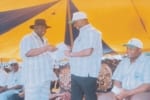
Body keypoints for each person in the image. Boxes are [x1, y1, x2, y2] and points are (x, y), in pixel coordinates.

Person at [65, 11, 102, 100]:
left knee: (90, 97)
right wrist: (70, 49)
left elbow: (88, 51)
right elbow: (81, 50)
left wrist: (71, 54)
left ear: (82, 20)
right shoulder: (82, 33)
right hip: (77, 73)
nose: (74, 25)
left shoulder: (91, 32)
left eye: (75, 22)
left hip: (86, 74)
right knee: (75, 98)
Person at [20, 19, 57, 100]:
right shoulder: (27, 38)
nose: (44, 30)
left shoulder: (45, 40)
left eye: (45, 28)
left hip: (45, 77)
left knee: (44, 98)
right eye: (41, 27)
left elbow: (46, 55)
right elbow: (28, 53)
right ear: (35, 28)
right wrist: (46, 48)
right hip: (33, 78)